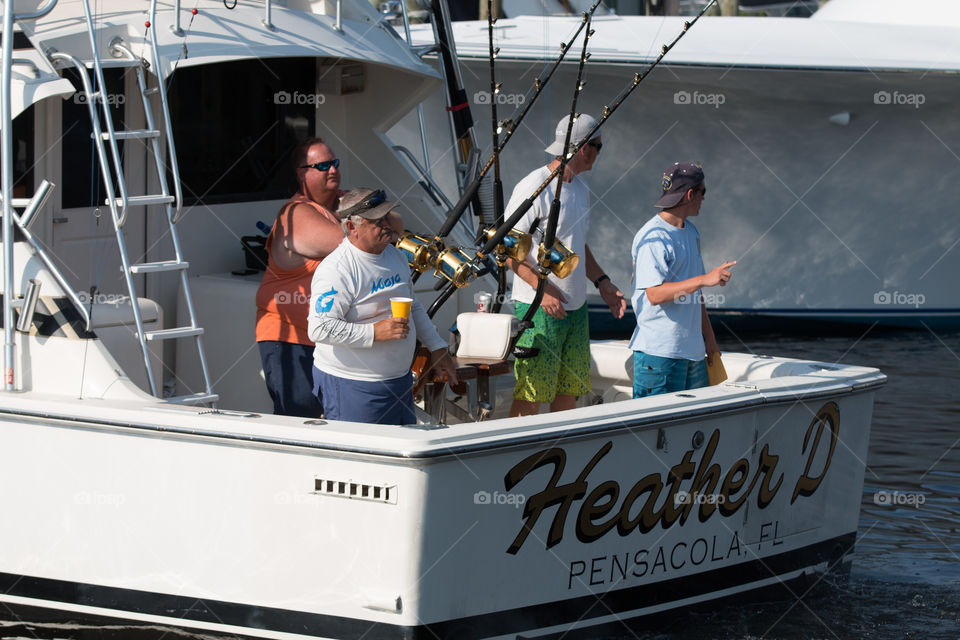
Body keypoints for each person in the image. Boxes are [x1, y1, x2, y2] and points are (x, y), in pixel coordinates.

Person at [255, 138, 401, 417]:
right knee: (300, 424)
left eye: (334, 163)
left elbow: (397, 225)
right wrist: (366, 214)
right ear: (301, 174)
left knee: (334, 423)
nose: (332, 170)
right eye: (322, 166)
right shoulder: (295, 213)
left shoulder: (345, 208)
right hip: (291, 340)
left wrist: (367, 209)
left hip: (334, 342)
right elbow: (348, 241)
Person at [505, 114, 627, 417]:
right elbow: (507, 253)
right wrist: (542, 292)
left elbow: (577, 245)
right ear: (584, 148)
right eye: (599, 146)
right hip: (537, 310)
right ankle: (519, 456)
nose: (600, 152)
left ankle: (558, 453)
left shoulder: (581, 189)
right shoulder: (533, 186)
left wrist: (603, 282)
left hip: (576, 310)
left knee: (569, 391)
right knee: (531, 391)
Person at [307, 188, 458, 425]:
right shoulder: (336, 269)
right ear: (351, 228)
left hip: (398, 382)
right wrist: (374, 332)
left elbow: (412, 305)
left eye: (387, 217)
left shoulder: (395, 255)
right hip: (352, 385)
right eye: (377, 221)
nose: (387, 224)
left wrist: (437, 347)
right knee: (360, 458)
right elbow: (320, 329)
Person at [629, 162, 736, 398]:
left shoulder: (692, 232)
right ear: (690, 194)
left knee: (690, 430)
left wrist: (710, 341)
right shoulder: (654, 236)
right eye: (703, 192)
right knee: (654, 430)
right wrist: (703, 280)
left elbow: (694, 296)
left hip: (694, 354)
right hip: (659, 356)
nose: (704, 199)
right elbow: (654, 295)